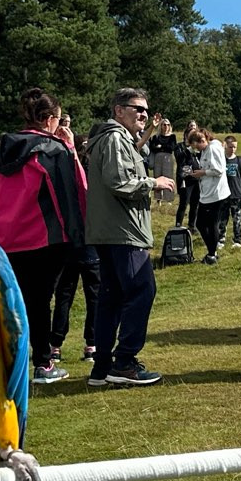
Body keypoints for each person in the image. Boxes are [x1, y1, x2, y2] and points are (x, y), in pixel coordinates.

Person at [0, 87, 88, 384]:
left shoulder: (3, 150)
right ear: (49, 119)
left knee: (1, 301)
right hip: (42, 238)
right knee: (38, 303)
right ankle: (43, 364)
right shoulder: (54, 150)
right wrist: (78, 237)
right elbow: (73, 195)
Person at [82, 88, 173, 387]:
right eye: (137, 109)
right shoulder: (114, 137)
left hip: (111, 231)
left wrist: (147, 132)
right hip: (123, 232)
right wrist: (153, 182)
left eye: (146, 109)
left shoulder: (119, 138)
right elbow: (119, 181)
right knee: (142, 290)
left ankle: (103, 368)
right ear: (118, 110)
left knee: (111, 298)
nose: (143, 114)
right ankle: (124, 363)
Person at [186, 124, 229, 264]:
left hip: (216, 194)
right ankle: (212, 252)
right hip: (207, 193)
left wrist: (202, 173)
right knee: (202, 223)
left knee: (210, 224)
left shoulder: (213, 148)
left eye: (196, 146)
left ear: (202, 141)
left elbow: (219, 170)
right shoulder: (206, 149)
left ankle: (212, 254)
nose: (196, 149)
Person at [223, 136, 241, 246]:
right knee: (222, 219)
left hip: (237, 194)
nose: (233, 149)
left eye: (235, 147)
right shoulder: (221, 160)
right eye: (230, 147)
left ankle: (237, 239)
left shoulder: (240, 160)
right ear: (225, 146)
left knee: (237, 219)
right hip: (223, 195)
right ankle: (221, 239)